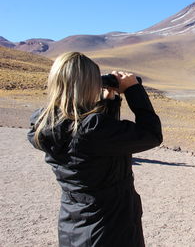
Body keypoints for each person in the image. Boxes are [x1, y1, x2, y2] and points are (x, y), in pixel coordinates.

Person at [27, 52, 163, 247]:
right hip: (110, 227)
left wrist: (109, 102)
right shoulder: (92, 129)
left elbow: (103, 145)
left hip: (75, 223)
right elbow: (152, 134)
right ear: (86, 85)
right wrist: (134, 90)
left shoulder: (46, 123)